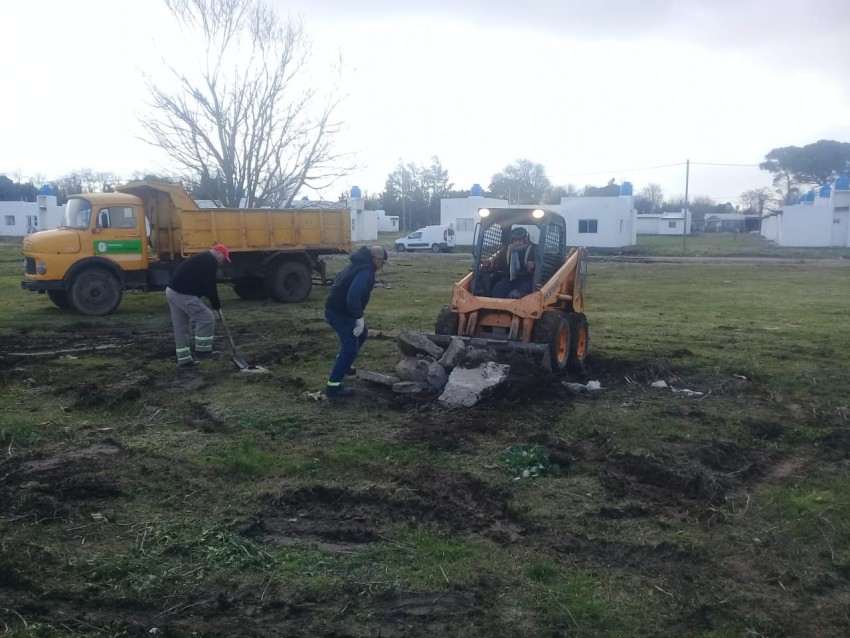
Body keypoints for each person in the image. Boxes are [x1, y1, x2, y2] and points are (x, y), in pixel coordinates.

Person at [323, 245, 388, 397]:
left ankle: (344, 364)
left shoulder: (357, 265)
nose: (382, 266)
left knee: (362, 333)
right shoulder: (366, 272)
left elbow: (338, 280)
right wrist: (358, 318)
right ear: (376, 259)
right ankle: (334, 387)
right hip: (339, 313)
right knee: (350, 347)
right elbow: (353, 296)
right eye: (382, 262)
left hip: (338, 309)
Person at [165, 244, 231, 367]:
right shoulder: (210, 260)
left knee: (181, 327)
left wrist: (211, 298)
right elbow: (210, 284)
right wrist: (215, 302)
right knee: (206, 317)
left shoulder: (202, 258)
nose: (222, 262)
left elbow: (203, 283)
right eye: (223, 259)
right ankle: (203, 351)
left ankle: (184, 360)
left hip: (172, 291)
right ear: (219, 253)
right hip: (182, 293)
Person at [480, 226, 537, 298]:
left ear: (525, 240)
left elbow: (539, 264)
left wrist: (533, 266)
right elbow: (496, 258)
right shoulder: (507, 248)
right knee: (497, 291)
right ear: (511, 240)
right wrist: (489, 262)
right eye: (515, 240)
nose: (517, 243)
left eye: (519, 240)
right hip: (508, 278)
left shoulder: (533, 249)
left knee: (522, 293)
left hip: (526, 279)